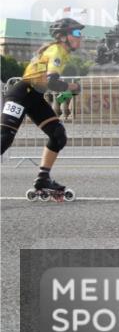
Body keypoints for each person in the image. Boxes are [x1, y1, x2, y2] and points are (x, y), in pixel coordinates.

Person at [1, 18, 84, 200]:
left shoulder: (59, 51)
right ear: (63, 36)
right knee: (4, 138)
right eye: (77, 33)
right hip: (21, 94)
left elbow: (47, 81)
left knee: (58, 135)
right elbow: (52, 82)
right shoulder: (57, 50)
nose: (81, 37)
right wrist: (73, 87)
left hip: (34, 97)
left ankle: (43, 179)